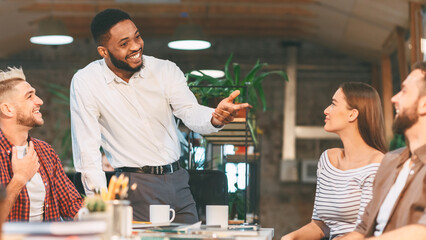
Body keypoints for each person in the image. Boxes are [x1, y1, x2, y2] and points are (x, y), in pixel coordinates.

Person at [70, 8, 251, 223]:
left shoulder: (165, 70)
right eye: (124, 43)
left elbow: (189, 110)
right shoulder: (87, 82)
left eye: (137, 36)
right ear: (103, 51)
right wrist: (100, 207)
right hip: (135, 186)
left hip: (179, 182)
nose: (136, 46)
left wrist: (214, 118)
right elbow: (87, 150)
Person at [282, 82, 387, 240]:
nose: (326, 110)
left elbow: (364, 232)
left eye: (333, 104)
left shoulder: (377, 164)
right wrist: (289, 238)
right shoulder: (327, 159)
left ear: (352, 114)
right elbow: (320, 225)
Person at [337, 63, 426, 240]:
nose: (394, 98)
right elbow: (363, 228)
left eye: (404, 91)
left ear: (424, 105)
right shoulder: (390, 161)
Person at [0, 67, 83, 222]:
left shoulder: (44, 150)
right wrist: (19, 178)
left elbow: (72, 205)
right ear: (7, 109)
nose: (40, 101)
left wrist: (105, 216)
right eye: (29, 96)